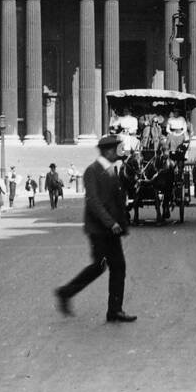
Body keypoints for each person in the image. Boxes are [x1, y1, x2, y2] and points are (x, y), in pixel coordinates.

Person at [55, 133, 136, 323]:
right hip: (99, 230)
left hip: (110, 230)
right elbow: (94, 202)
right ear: (108, 150)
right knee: (99, 267)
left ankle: (114, 311)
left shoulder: (111, 169)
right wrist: (111, 223)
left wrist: (121, 223)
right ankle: (65, 292)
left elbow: (116, 200)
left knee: (117, 267)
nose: (120, 151)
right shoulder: (93, 170)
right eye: (118, 148)